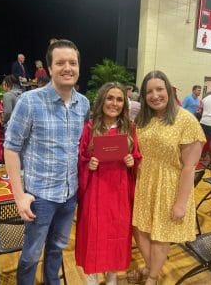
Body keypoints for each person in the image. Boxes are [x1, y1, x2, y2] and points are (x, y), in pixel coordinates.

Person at [4, 39, 90, 285]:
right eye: (60, 62)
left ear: (78, 68)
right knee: (31, 254)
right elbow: (10, 148)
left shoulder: (82, 104)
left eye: (72, 63)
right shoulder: (30, 101)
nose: (67, 68)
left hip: (69, 194)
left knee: (57, 249)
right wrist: (19, 196)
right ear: (49, 69)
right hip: (40, 197)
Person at [127, 71, 206, 285]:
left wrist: (180, 204)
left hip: (170, 186)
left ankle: (152, 277)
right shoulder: (144, 119)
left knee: (160, 235)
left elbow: (190, 167)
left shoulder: (185, 120)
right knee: (139, 229)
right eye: (149, 91)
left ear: (169, 90)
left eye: (159, 89)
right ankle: (150, 267)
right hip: (145, 182)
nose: (155, 95)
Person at [75, 82, 141, 285]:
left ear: (125, 103)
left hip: (119, 191)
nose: (114, 103)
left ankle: (112, 277)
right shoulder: (89, 128)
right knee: (93, 233)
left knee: (117, 233)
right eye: (110, 98)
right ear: (102, 100)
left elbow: (136, 156)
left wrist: (132, 161)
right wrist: (89, 163)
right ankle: (92, 278)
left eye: (119, 99)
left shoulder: (129, 128)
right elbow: (80, 157)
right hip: (95, 189)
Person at [200, 84, 211, 164]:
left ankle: (202, 155)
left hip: (203, 121)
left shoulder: (206, 98)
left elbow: (202, 110)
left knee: (203, 140)